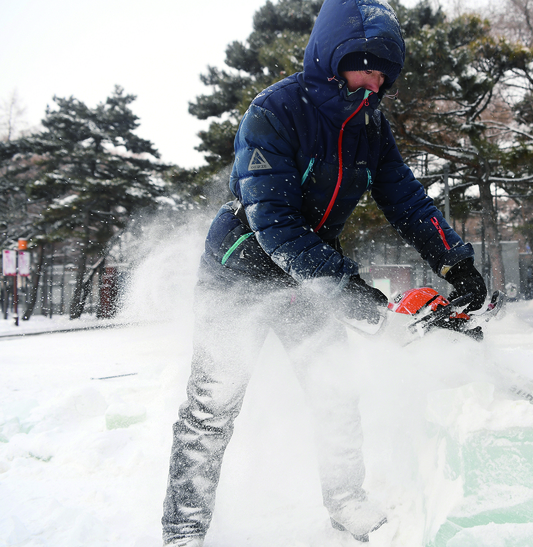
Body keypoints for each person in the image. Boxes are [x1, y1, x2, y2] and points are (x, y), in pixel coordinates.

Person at [161, 0, 487, 545]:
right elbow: (275, 220)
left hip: (308, 280)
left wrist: (455, 259)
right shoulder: (275, 110)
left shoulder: (371, 129)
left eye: (385, 71)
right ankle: (183, 530)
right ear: (333, 58)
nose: (376, 80)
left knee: (335, 394)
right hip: (239, 275)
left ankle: (346, 501)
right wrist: (348, 291)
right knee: (211, 408)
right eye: (367, 64)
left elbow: (406, 198)